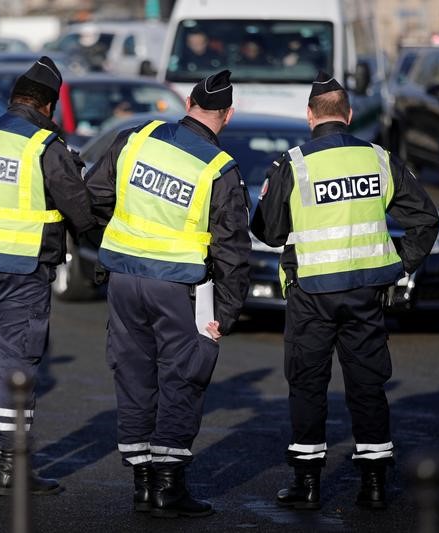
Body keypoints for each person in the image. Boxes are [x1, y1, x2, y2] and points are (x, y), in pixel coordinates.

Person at [251, 71, 439, 510]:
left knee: (307, 385)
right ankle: (374, 486)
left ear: (309, 116)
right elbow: (425, 221)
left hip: (312, 296)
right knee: (368, 386)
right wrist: (397, 265)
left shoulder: (293, 164)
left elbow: (269, 233)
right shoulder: (378, 159)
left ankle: (308, 485)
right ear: (349, 114)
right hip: (366, 295)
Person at [85, 70, 252, 518]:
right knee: (183, 378)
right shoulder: (220, 168)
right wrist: (229, 313)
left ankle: (142, 485)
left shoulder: (136, 138)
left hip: (123, 280)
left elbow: (95, 196)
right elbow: (233, 251)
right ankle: (168, 488)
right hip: (180, 289)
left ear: (188, 104)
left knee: (134, 374)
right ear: (227, 115)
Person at [0, 56, 97, 496]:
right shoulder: (44, 146)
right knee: (17, 365)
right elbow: (81, 212)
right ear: (47, 106)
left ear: (13, 100)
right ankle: (14, 466)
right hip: (20, 268)